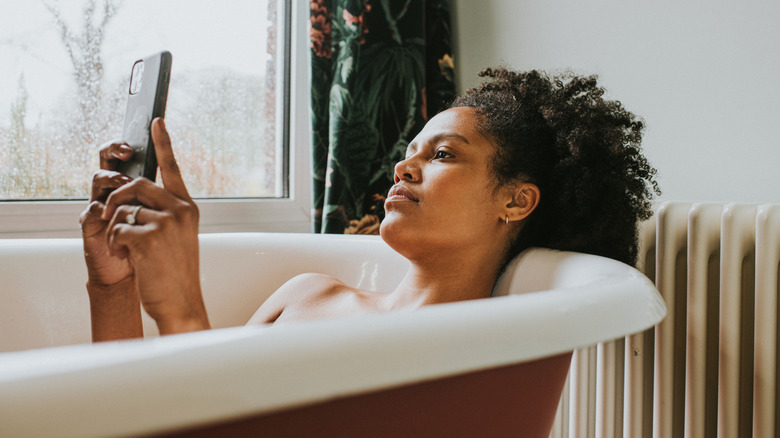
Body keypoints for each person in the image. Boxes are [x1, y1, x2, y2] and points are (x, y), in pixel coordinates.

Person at [80, 68, 659, 341]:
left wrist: (181, 309)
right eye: (409, 152)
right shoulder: (308, 292)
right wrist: (114, 286)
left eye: (443, 155)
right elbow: (145, 412)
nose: (404, 167)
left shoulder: (473, 353)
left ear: (515, 200)